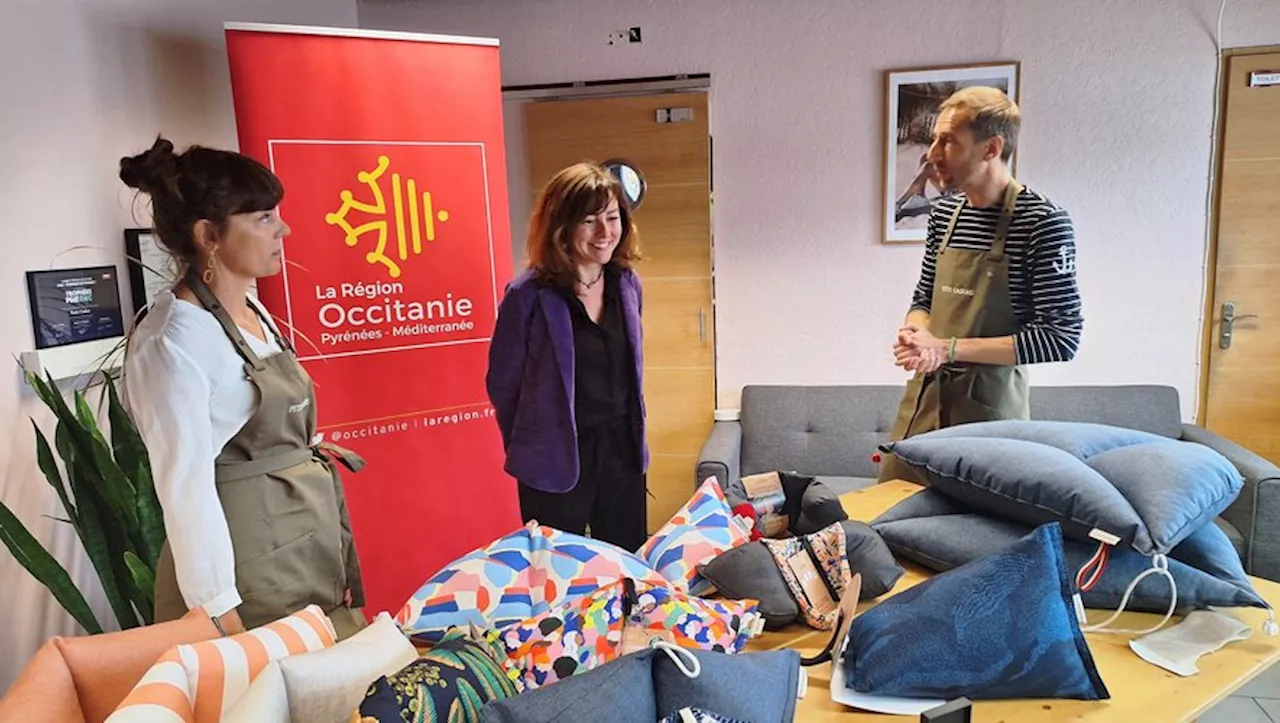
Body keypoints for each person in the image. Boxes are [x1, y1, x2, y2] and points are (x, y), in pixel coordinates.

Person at [119, 137, 367, 638]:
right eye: (263, 219)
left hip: (303, 541)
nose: (284, 229)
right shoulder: (171, 344)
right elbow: (184, 490)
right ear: (209, 233)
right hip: (245, 569)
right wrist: (216, 611)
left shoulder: (251, 311)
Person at [879, 87, 1084, 483]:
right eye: (934, 139)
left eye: (948, 141)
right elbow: (924, 296)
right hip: (926, 400)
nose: (932, 153)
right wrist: (917, 334)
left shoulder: (1042, 222)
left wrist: (947, 348)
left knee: (972, 533)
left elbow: (1061, 337)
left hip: (992, 417)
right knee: (891, 516)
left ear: (991, 148)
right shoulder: (945, 215)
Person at [486, 163, 649, 551]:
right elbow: (502, 384)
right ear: (561, 226)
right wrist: (534, 439)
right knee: (559, 573)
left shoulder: (626, 283)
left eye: (612, 218)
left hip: (622, 452)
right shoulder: (527, 295)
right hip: (554, 457)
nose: (605, 233)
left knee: (626, 566)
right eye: (589, 221)